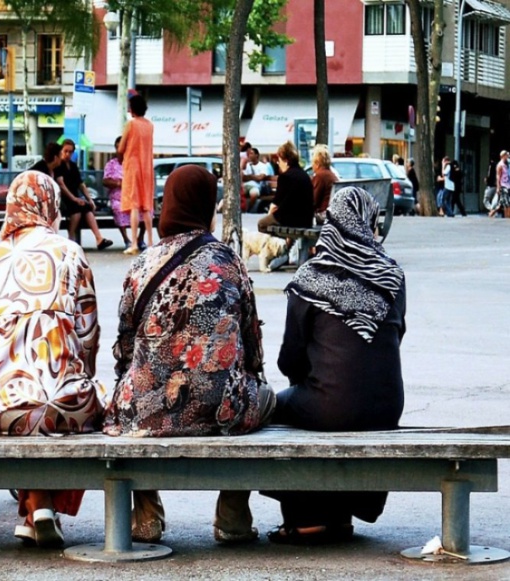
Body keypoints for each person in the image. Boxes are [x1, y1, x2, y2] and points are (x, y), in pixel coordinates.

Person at [105, 165, 276, 545]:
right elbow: (252, 349)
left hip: (147, 408)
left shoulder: (142, 264)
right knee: (261, 398)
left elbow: (124, 349)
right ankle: (233, 512)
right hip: (218, 409)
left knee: (130, 398)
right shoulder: (227, 261)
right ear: (206, 205)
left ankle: (146, 511)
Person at [0, 171, 107, 548]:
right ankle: (42, 505)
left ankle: (34, 507)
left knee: (24, 409)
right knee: (69, 400)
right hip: (63, 403)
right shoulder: (70, 251)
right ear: (50, 205)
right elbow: (88, 335)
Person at [262, 186, 405, 545]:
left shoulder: (312, 276)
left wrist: (316, 379)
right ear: (369, 224)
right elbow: (393, 337)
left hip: (329, 403)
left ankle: (307, 518)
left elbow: (289, 358)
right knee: (333, 406)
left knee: (277, 411)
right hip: (386, 406)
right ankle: (341, 515)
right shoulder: (391, 275)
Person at [257, 141, 314, 271]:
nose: (278, 163)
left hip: (288, 218)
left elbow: (275, 204)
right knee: (280, 226)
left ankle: (279, 250)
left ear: (286, 160)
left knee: (262, 223)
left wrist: (269, 215)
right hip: (306, 219)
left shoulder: (285, 177)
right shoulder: (304, 175)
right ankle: (284, 248)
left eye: (280, 160)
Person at [54, 138, 113, 250]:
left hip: (74, 197)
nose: (67, 154)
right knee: (76, 209)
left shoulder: (72, 165)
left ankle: (99, 238)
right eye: (65, 151)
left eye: (70, 152)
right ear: (61, 150)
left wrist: (89, 199)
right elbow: (61, 184)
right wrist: (74, 199)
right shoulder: (58, 165)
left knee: (87, 207)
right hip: (64, 198)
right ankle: (71, 237)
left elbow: (81, 184)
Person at [119, 93, 155, 255]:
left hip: (132, 166)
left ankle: (134, 243)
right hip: (147, 167)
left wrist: (121, 158)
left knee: (134, 204)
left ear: (132, 109)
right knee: (146, 205)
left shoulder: (131, 125)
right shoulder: (150, 125)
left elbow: (121, 147)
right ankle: (150, 242)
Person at [103, 136, 146, 251]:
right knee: (118, 207)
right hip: (119, 198)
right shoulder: (111, 164)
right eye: (119, 148)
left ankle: (140, 239)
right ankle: (127, 240)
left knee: (147, 208)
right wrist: (119, 183)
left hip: (135, 196)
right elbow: (105, 181)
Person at [241, 146, 274, 213]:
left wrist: (250, 176)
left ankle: (248, 210)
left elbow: (260, 178)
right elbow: (243, 177)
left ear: (257, 155)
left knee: (254, 194)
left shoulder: (262, 166)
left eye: (251, 153)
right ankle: (241, 209)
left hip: (256, 186)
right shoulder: (247, 165)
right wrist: (254, 177)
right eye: (249, 154)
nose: (249, 155)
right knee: (238, 193)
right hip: (245, 185)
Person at [310, 144, 337, 224]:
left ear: (317, 163)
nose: (312, 166)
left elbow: (314, 201)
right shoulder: (332, 175)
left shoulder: (320, 176)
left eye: (313, 162)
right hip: (333, 215)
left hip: (323, 216)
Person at [491, 150, 510, 218]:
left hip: (508, 185)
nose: (507, 157)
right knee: (507, 204)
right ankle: (507, 218)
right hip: (503, 186)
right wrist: (498, 187)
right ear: (502, 156)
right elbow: (498, 176)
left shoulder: (507, 164)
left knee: (500, 204)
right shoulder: (500, 165)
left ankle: (491, 214)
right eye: (506, 156)